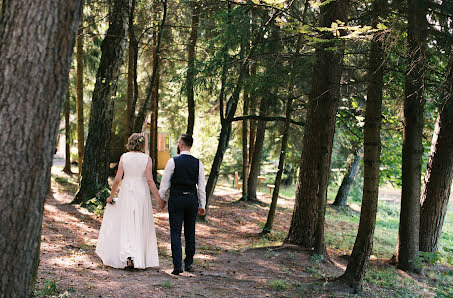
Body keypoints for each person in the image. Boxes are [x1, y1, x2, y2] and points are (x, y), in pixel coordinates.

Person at [96, 133, 162, 269]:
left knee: (127, 222)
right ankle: (137, 257)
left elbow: (117, 179)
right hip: (141, 192)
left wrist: (111, 196)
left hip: (126, 190)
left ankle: (127, 255)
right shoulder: (147, 159)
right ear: (142, 144)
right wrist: (158, 199)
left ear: (130, 143)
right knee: (139, 221)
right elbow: (149, 180)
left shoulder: (124, 157)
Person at [159, 133, 206, 275]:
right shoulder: (199, 163)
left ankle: (177, 266)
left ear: (181, 145)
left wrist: (161, 198)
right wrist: (202, 205)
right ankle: (189, 263)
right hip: (191, 200)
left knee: (175, 232)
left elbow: (165, 182)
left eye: (178, 143)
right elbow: (201, 186)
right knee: (190, 232)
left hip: (176, 200)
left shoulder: (173, 161)